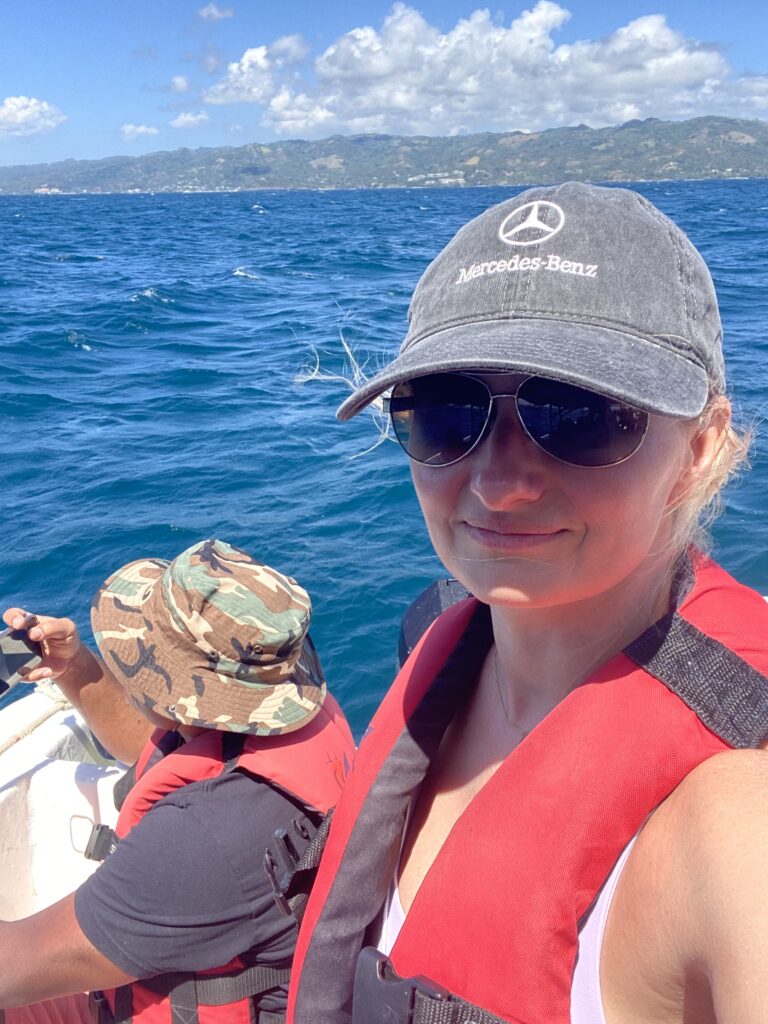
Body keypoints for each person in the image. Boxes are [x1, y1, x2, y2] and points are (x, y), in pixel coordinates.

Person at [287, 182, 768, 1024]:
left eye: (579, 416)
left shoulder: (735, 817)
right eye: (446, 414)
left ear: (698, 450)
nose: (499, 484)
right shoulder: (441, 654)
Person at [0, 538, 354, 1024]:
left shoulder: (204, 835)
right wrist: (75, 666)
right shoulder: (291, 724)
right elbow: (153, 743)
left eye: (142, 649)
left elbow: (14, 966)